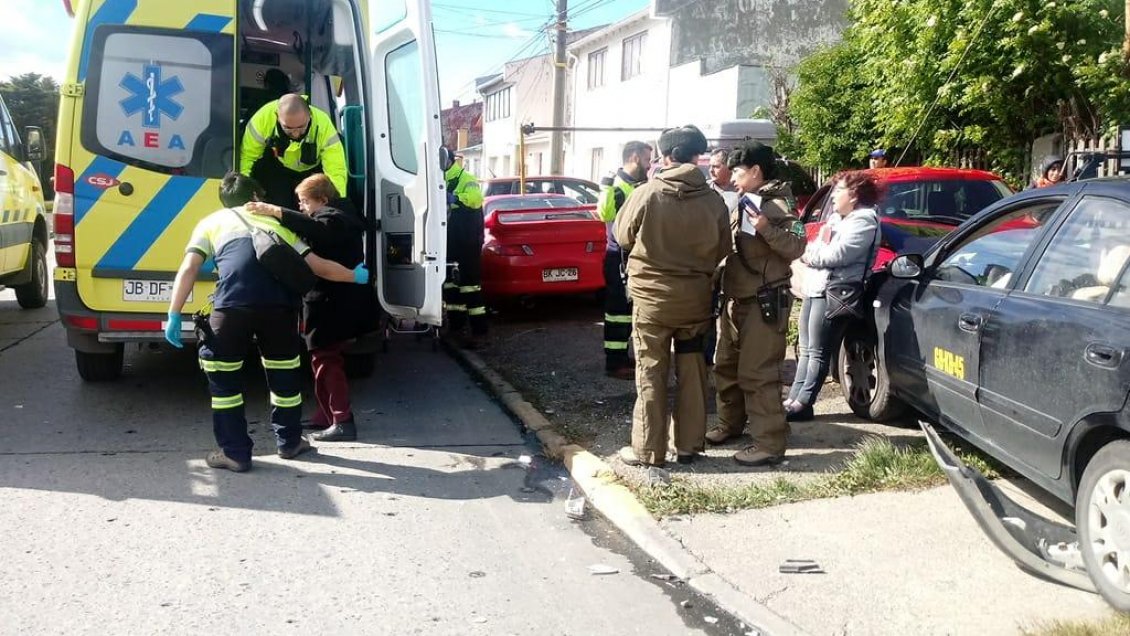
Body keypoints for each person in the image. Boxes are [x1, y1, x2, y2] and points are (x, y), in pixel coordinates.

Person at [164, 172, 368, 473]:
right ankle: (289, 442)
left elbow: (189, 268)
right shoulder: (275, 224)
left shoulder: (211, 222)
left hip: (231, 308)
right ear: (256, 198)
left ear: (223, 200)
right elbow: (320, 268)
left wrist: (173, 313)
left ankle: (234, 452)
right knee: (284, 377)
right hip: (279, 309)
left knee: (224, 381)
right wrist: (355, 276)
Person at [613, 125, 731, 468]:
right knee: (693, 370)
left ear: (665, 156)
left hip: (652, 303)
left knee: (651, 371)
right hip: (695, 301)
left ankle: (649, 451)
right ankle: (690, 447)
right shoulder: (713, 200)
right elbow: (724, 247)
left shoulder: (647, 193)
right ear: (698, 156)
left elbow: (622, 236)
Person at [246, 173, 370, 442]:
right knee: (320, 360)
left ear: (323, 199)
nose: (302, 207)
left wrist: (276, 212)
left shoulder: (334, 220)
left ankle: (342, 420)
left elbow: (318, 231)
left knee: (327, 360)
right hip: (332, 302)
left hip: (330, 303)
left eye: (304, 201)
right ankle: (326, 416)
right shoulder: (341, 217)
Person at [706, 142, 807, 466]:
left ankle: (769, 443)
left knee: (758, 373)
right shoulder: (743, 200)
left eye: (737, 170)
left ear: (755, 171)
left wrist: (766, 228)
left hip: (765, 301)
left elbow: (797, 245)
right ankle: (730, 424)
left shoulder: (778, 203)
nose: (731, 175)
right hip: (737, 299)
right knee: (727, 368)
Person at [784, 171, 881, 422]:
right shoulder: (837, 219)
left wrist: (807, 256)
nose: (833, 196)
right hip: (815, 288)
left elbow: (836, 255)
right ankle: (793, 399)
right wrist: (812, 253)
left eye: (839, 191)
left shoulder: (864, 221)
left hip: (835, 292)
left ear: (855, 195)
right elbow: (817, 246)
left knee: (818, 351)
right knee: (805, 349)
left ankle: (803, 403)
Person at [597, 140, 653, 380]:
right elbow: (604, 215)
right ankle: (614, 362)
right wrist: (606, 188)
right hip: (618, 258)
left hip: (634, 257)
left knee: (628, 311)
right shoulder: (617, 187)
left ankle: (622, 355)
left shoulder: (641, 185)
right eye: (648, 160)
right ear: (635, 158)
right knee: (617, 312)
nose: (650, 165)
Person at [240, 93, 348, 209]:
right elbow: (247, 158)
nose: (296, 134)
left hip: (312, 172)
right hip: (278, 169)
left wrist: (336, 205)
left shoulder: (323, 124)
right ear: (277, 116)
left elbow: (336, 169)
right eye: (288, 128)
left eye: (301, 127)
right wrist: (244, 192)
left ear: (310, 116)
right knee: (279, 206)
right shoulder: (262, 120)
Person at [442, 146, 488, 347]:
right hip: (453, 240)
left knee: (470, 286)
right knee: (452, 285)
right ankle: (456, 327)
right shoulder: (441, 179)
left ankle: (479, 330)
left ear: (449, 160)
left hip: (467, 242)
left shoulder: (465, 178)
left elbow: (476, 200)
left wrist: (456, 199)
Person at [705, 147, 740, 367]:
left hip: (734, 259)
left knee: (731, 309)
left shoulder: (741, 192)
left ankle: (732, 355)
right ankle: (707, 356)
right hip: (709, 259)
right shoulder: (704, 191)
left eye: (716, 165)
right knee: (707, 308)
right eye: (710, 165)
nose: (711, 169)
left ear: (729, 167)